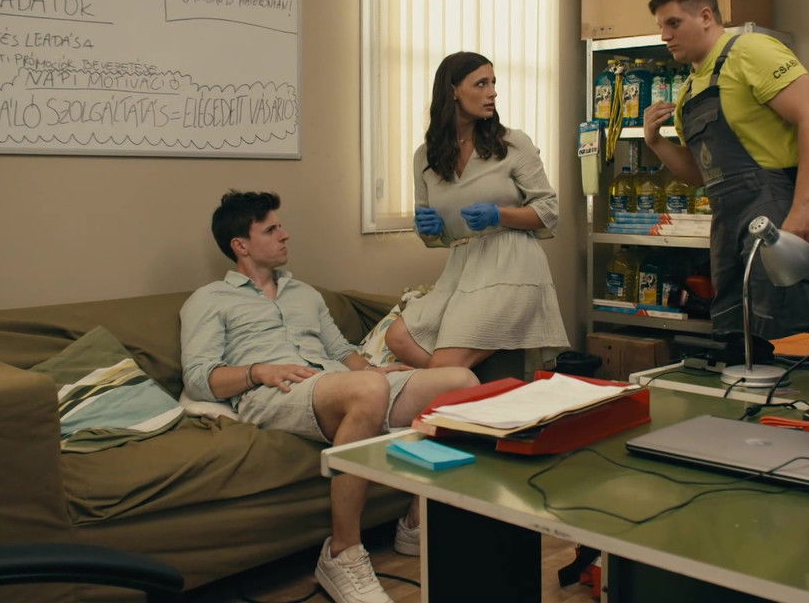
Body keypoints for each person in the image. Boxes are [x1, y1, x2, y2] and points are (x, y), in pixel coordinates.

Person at [180, 191, 478, 603]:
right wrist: (257, 371)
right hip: (274, 393)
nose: (285, 235)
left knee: (462, 382)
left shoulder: (304, 293)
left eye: (281, 226)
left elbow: (340, 351)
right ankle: (342, 553)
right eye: (271, 229)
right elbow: (198, 378)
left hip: (338, 382)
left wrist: (372, 371)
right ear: (240, 245)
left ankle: (416, 519)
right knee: (369, 389)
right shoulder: (209, 300)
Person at [642, 0, 809, 339]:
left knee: (781, 324)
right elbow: (700, 175)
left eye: (674, 23)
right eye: (661, 26)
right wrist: (656, 142)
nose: (665, 36)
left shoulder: (751, 51)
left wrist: (804, 206)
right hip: (726, 221)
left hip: (775, 209)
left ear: (706, 16)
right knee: (732, 326)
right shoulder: (688, 91)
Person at [384, 51, 569, 368]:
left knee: (445, 364)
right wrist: (428, 229)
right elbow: (436, 237)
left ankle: (446, 379)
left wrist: (500, 214)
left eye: (493, 83)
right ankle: (462, 384)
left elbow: (549, 212)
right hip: (461, 269)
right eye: (481, 84)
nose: (492, 92)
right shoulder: (425, 156)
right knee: (398, 337)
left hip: (512, 266)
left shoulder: (513, 143)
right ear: (453, 91)